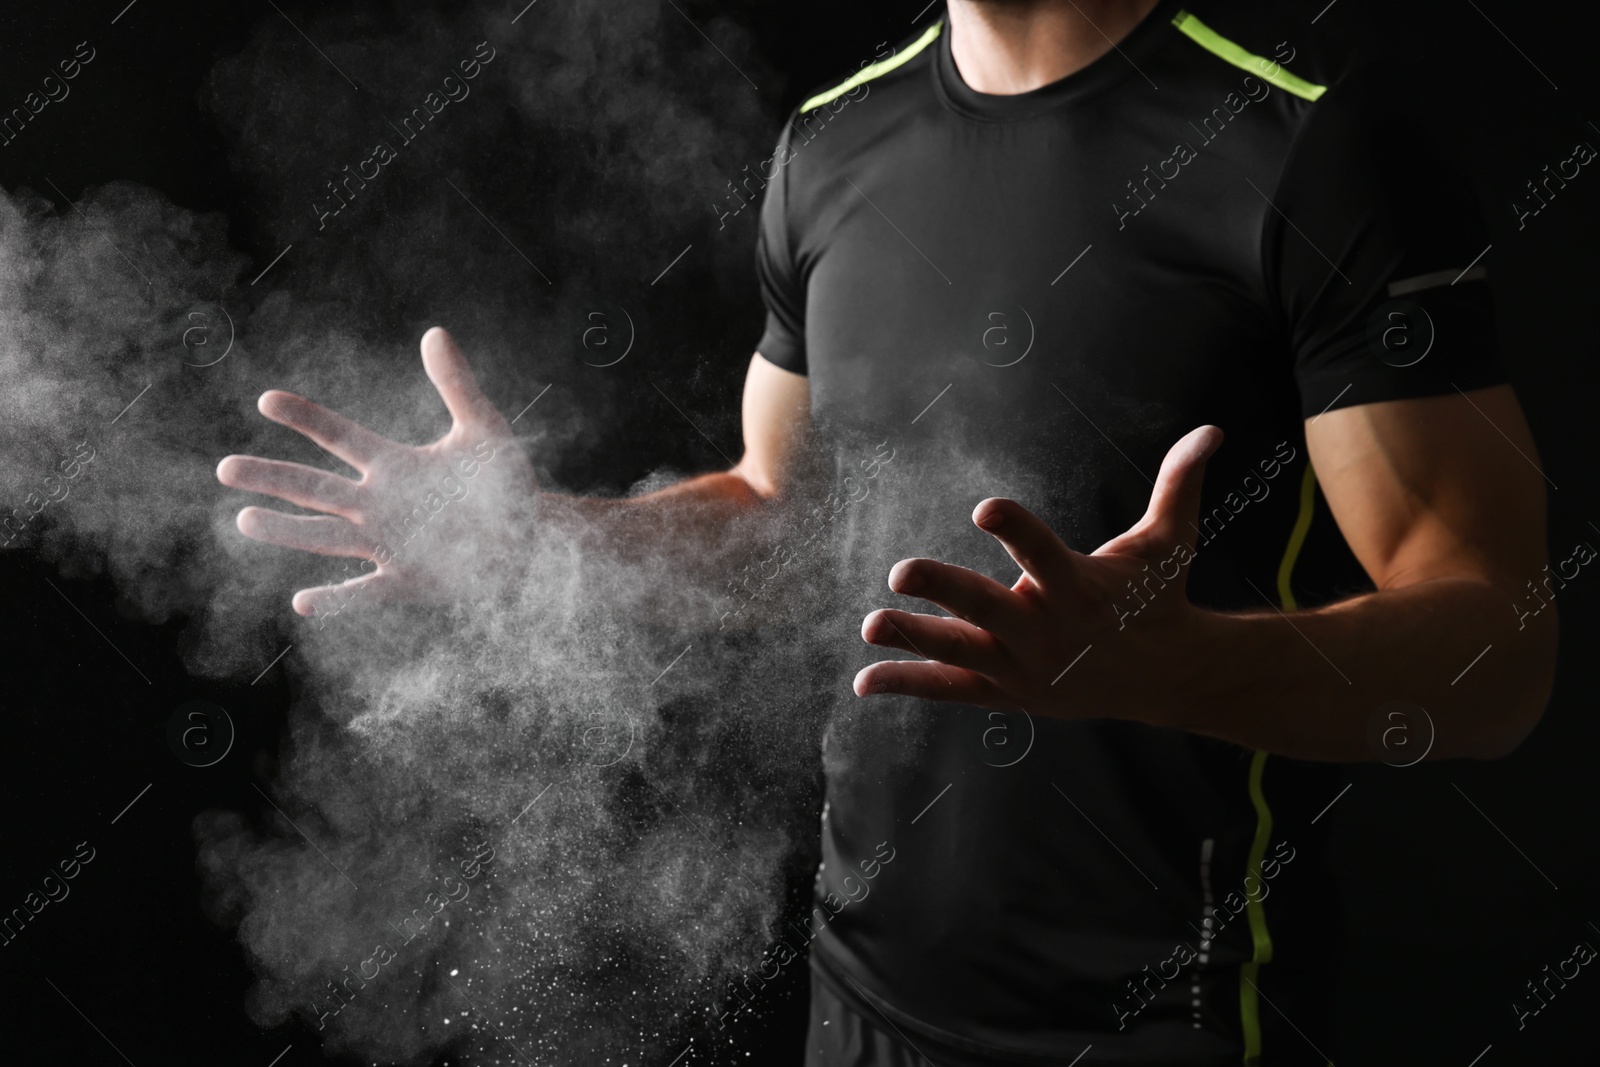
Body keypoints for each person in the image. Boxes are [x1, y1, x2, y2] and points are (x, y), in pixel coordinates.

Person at [217, 0, 1558, 1062]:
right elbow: (781, 518)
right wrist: (535, 541)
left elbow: (1499, 659)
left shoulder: (1308, 142)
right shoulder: (831, 145)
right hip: (862, 1002)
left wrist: (1166, 668)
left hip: (1172, 1015)